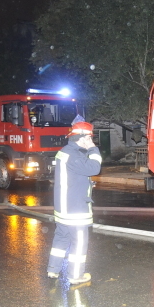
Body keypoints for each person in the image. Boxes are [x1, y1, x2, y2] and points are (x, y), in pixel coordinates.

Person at [47, 121, 102, 285]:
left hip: (63, 206)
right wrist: (93, 148)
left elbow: (71, 176)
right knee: (79, 242)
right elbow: (94, 168)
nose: (91, 140)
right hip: (74, 209)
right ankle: (75, 275)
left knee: (61, 238)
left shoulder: (65, 152)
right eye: (89, 138)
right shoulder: (75, 155)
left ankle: (53, 270)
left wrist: (85, 183)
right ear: (83, 137)